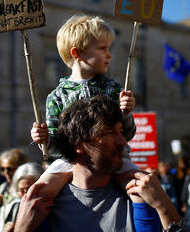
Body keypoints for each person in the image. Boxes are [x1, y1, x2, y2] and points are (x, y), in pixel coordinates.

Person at [16, 95, 189, 232]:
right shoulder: (42, 207)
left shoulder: (140, 197)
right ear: (78, 144)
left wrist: (165, 207)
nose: (124, 142)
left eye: (121, 131)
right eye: (109, 133)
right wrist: (21, 228)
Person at [30, 15, 140, 199]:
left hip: (114, 158)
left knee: (142, 189)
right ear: (77, 53)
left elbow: (127, 134)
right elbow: (54, 148)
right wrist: (44, 139)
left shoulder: (113, 90)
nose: (109, 54)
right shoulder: (57, 97)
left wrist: (126, 113)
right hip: (70, 162)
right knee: (37, 194)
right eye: (102, 48)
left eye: (109, 48)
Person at [0, 162, 43, 232]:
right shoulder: (16, 206)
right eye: (21, 190)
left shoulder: (48, 208)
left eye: (29, 189)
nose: (26, 195)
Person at [0, 149, 28, 224]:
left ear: (20, 168)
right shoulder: (3, 187)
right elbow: (1, 216)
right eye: (2, 169)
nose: (6, 172)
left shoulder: (25, 188)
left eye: (9, 169)